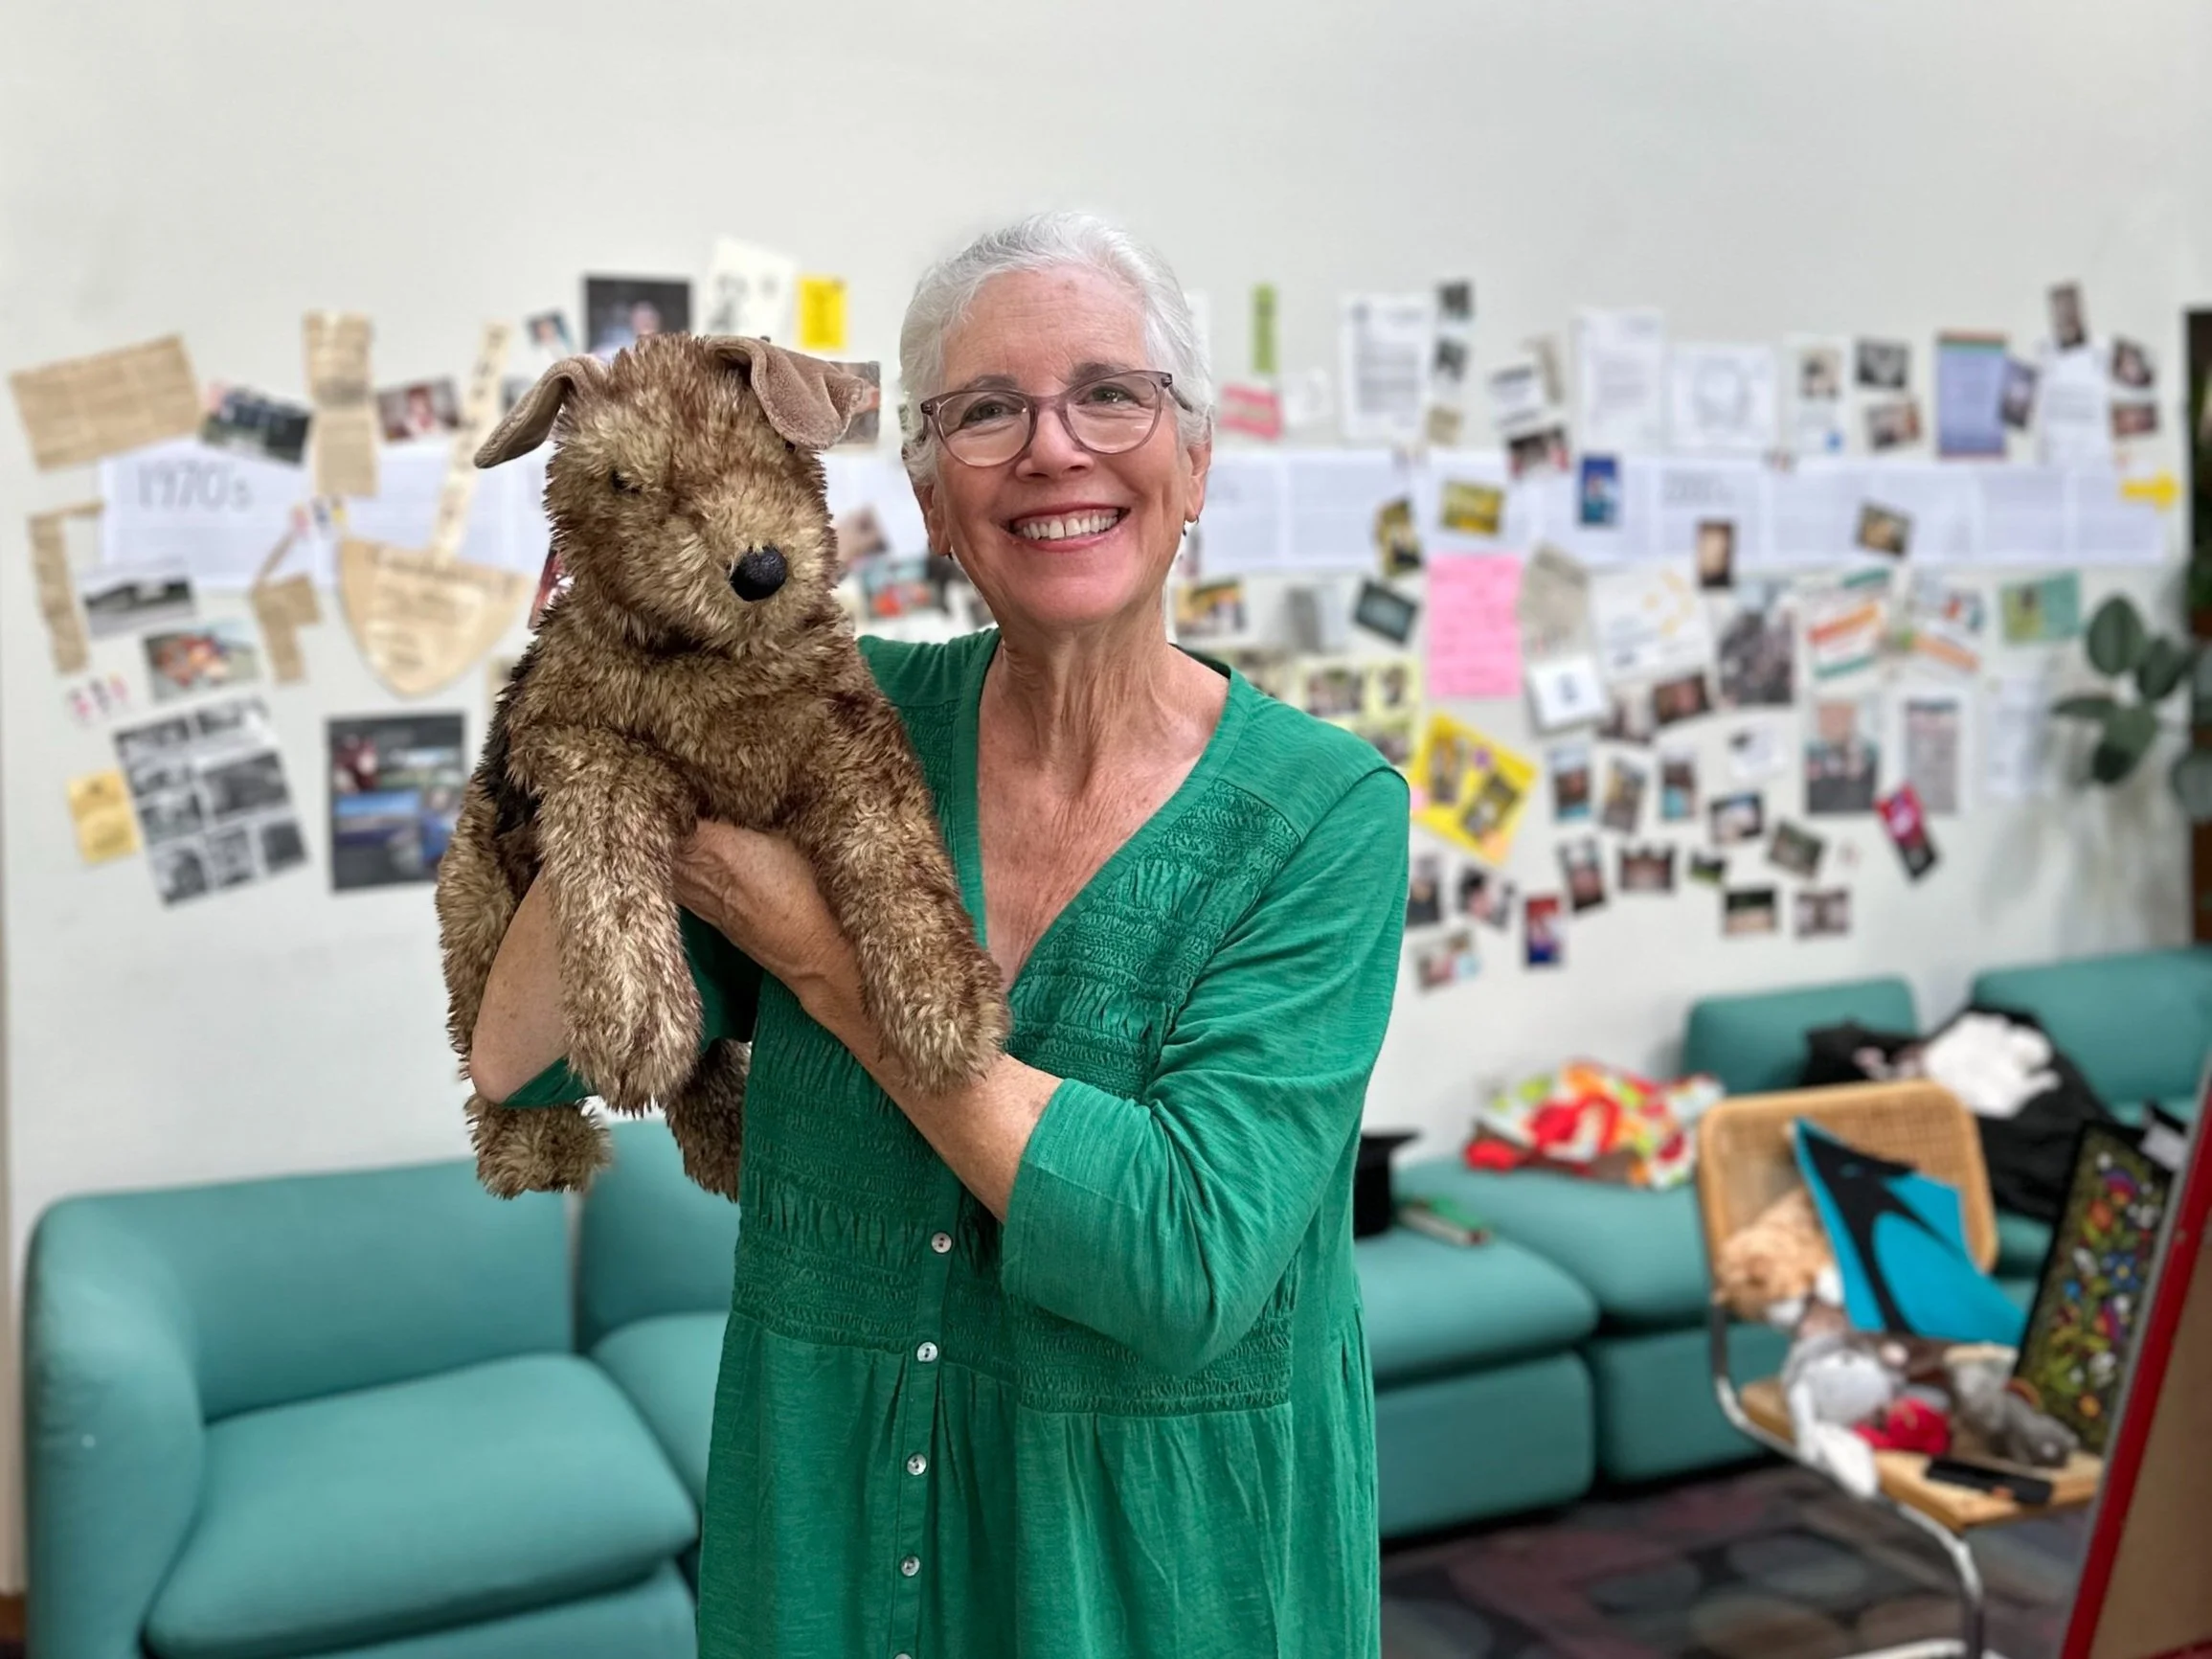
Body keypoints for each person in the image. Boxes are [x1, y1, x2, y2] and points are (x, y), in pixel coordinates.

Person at [465, 212, 1408, 1658]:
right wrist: (600, 702)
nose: (1052, 448)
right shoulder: (834, 715)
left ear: (1195, 460)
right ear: (922, 497)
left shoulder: (1321, 815)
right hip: (824, 1559)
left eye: (1109, 393)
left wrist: (826, 963)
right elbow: (522, 1060)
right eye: (984, 413)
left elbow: (1185, 1261)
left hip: (1157, 1583)